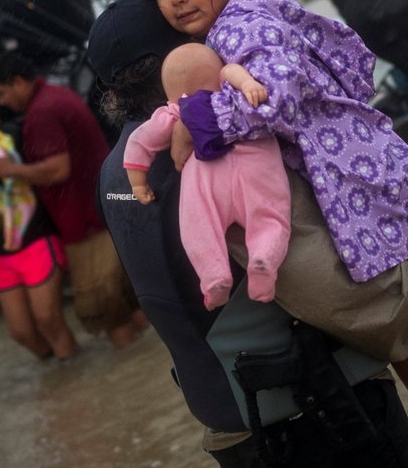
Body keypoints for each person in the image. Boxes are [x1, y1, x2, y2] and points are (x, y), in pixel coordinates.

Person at [141, 0, 408, 468]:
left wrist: (195, 126)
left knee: (369, 304)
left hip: (352, 181)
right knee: (376, 299)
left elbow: (276, 95)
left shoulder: (241, 23)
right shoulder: (252, 12)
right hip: (362, 167)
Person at [89, 0, 408, 468]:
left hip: (232, 433)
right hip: (319, 411)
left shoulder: (114, 172)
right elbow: (331, 282)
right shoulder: (213, 142)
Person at [0, 55, 147, 349]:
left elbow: (59, 169)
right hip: (104, 210)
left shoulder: (41, 113)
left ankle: (130, 364)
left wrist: (10, 171)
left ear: (18, 83)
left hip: (85, 225)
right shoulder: (58, 96)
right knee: (129, 301)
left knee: (107, 311)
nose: (3, 102)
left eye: (1, 93)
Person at [124, 43, 291, 309]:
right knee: (271, 219)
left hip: (206, 181)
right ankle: (264, 260)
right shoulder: (230, 88)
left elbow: (139, 142)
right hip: (257, 171)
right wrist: (248, 84)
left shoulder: (175, 112)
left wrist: (137, 183)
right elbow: (234, 71)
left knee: (198, 228)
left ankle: (214, 275)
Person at [0, 95, 78, 360]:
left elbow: (45, 174)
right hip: (3, 252)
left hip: (36, 239)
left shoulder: (12, 145)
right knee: (20, 332)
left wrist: (11, 170)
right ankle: (62, 375)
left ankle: (73, 370)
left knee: (48, 320)